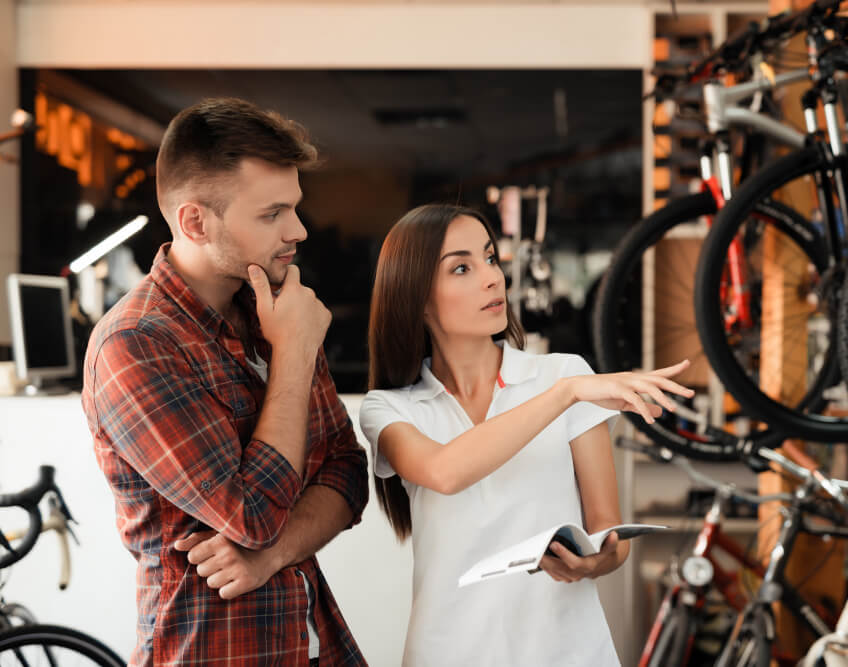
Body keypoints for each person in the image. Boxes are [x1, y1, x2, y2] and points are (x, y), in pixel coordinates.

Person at [81, 98, 369, 666]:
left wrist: (271, 555)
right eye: (272, 214)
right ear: (194, 221)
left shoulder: (272, 310)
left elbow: (348, 469)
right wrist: (294, 352)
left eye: (295, 208)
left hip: (314, 645)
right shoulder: (135, 345)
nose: (299, 230)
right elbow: (252, 515)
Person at [359, 204, 692, 666]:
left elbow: (608, 532)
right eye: (462, 267)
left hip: (567, 651)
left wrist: (595, 562)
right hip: (448, 652)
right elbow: (444, 471)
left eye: (491, 258)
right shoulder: (390, 408)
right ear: (416, 297)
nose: (493, 278)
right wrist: (567, 395)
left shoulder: (562, 373)